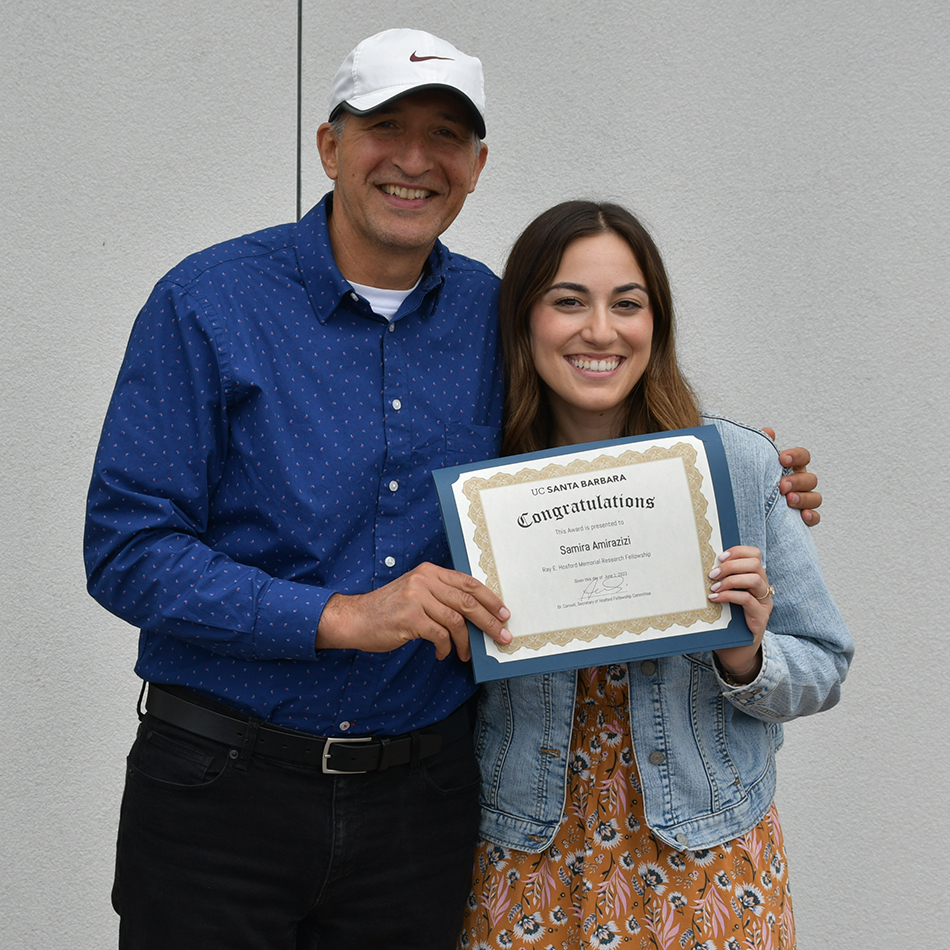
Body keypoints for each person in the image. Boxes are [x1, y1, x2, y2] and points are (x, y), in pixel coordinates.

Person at [84, 29, 823, 950]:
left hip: (423, 807)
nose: (414, 158)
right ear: (329, 145)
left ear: (476, 166)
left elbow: (600, 428)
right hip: (221, 789)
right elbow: (126, 550)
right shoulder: (209, 303)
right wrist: (340, 617)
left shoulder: (496, 315)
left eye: (445, 135)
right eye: (385, 125)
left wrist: (747, 480)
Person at [457, 202, 853, 950]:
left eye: (627, 304)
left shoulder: (737, 468)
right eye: (567, 301)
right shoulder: (475, 494)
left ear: (656, 323)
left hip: (710, 860)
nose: (600, 331)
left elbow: (825, 665)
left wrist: (749, 655)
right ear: (523, 320)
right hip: (524, 856)